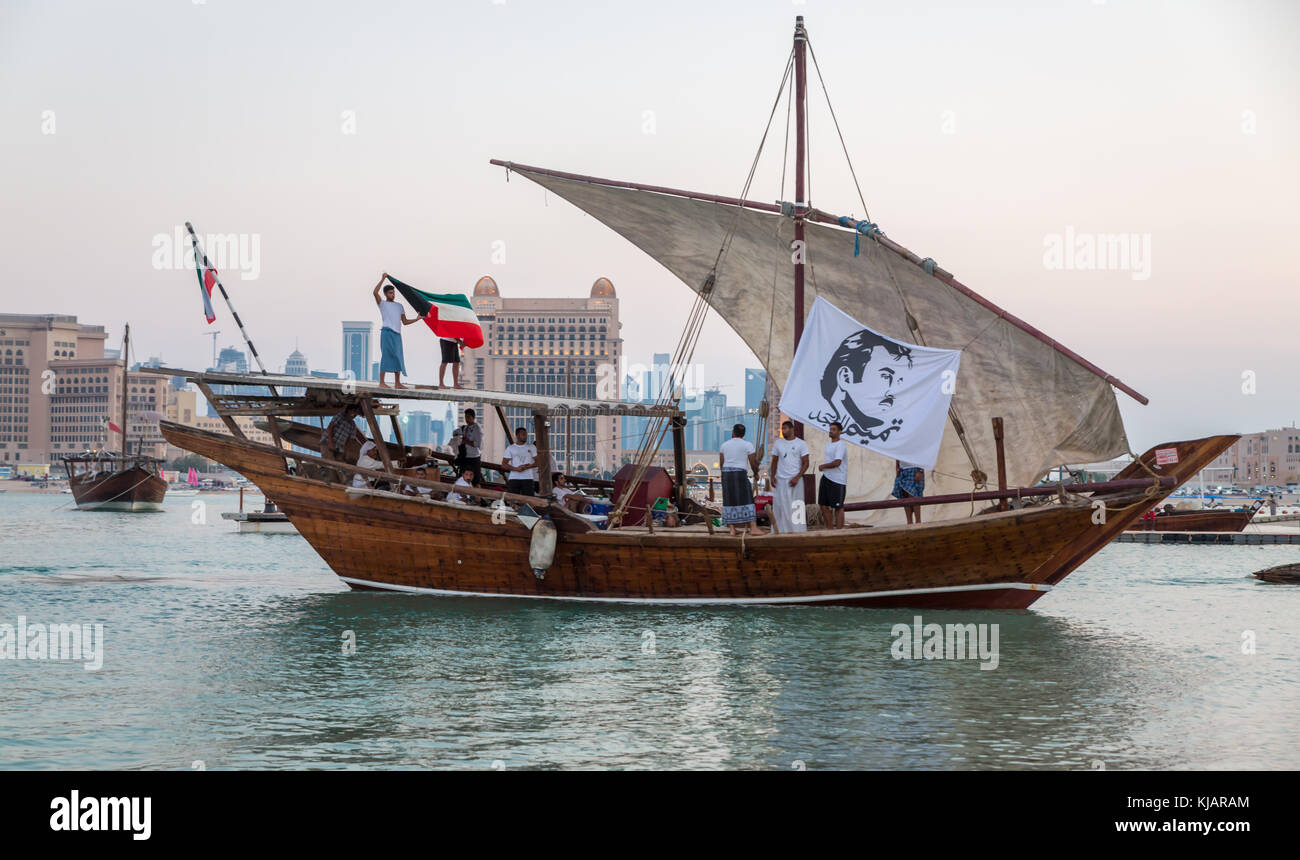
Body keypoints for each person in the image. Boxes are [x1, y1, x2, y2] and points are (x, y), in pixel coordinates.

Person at [373, 273, 422, 389]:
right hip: (386, 332)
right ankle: (381, 382)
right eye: (390, 293)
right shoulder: (382, 304)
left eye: (393, 292)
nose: (393, 294)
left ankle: (397, 383)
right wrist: (382, 279)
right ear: (385, 294)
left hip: (397, 334)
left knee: (398, 356)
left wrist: (416, 319)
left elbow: (404, 322)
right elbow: (375, 292)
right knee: (386, 355)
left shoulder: (399, 306)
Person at [719, 423, 763, 537]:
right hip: (740, 473)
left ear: (733, 432)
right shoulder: (747, 445)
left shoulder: (724, 445)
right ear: (743, 434)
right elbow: (753, 463)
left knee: (729, 500)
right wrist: (756, 473)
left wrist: (724, 476)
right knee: (748, 498)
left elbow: (721, 463)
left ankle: (732, 530)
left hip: (726, 473)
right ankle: (753, 527)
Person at [768, 420, 810, 534]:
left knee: (797, 506)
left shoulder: (801, 444)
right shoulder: (778, 444)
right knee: (780, 506)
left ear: (792, 429)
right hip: (781, 480)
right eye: (782, 428)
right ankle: (780, 531)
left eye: (786, 428)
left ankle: (798, 531)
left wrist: (797, 477)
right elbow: (774, 461)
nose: (784, 431)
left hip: (795, 480)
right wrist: (772, 476)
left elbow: (806, 463)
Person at [817, 421, 848, 529]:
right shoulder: (828, 445)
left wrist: (823, 466)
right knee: (823, 505)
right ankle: (830, 530)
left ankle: (839, 532)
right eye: (830, 429)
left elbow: (837, 462)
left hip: (838, 480)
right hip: (826, 477)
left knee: (838, 507)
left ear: (840, 432)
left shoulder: (841, 445)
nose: (831, 431)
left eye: (834, 429)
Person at [503, 426, 538, 497]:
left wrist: (528, 467)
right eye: (523, 434)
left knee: (529, 500)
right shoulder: (510, 448)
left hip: (528, 478)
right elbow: (504, 464)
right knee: (513, 499)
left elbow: (539, 462)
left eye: (526, 434)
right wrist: (516, 469)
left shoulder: (532, 447)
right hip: (514, 478)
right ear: (517, 435)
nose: (525, 436)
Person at [455, 409, 483, 485]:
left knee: (475, 479)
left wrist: (465, 441)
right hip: (464, 457)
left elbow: (478, 444)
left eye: (468, 417)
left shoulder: (477, 428)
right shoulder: (464, 428)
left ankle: (475, 495)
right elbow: (455, 432)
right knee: (462, 478)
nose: (467, 419)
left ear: (473, 417)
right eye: (466, 417)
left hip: (474, 457)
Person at [893, 460, 925, 524]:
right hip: (902, 469)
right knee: (904, 496)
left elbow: (922, 453)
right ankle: (909, 522)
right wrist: (897, 466)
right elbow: (898, 452)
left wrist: (920, 470)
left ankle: (918, 522)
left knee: (914, 496)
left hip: (914, 468)